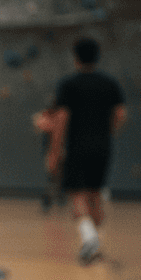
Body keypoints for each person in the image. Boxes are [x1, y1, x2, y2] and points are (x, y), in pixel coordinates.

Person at [46, 37, 127, 264]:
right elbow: (120, 114)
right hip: (103, 147)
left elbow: (61, 119)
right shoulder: (109, 84)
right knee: (95, 195)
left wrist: (54, 151)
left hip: (77, 147)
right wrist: (107, 132)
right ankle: (95, 245)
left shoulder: (69, 85)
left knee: (77, 195)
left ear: (75, 58)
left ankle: (89, 239)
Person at [32, 98, 62, 212]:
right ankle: (49, 199)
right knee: (53, 177)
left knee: (56, 177)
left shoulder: (60, 117)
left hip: (58, 151)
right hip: (52, 152)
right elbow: (38, 127)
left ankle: (56, 196)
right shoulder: (47, 116)